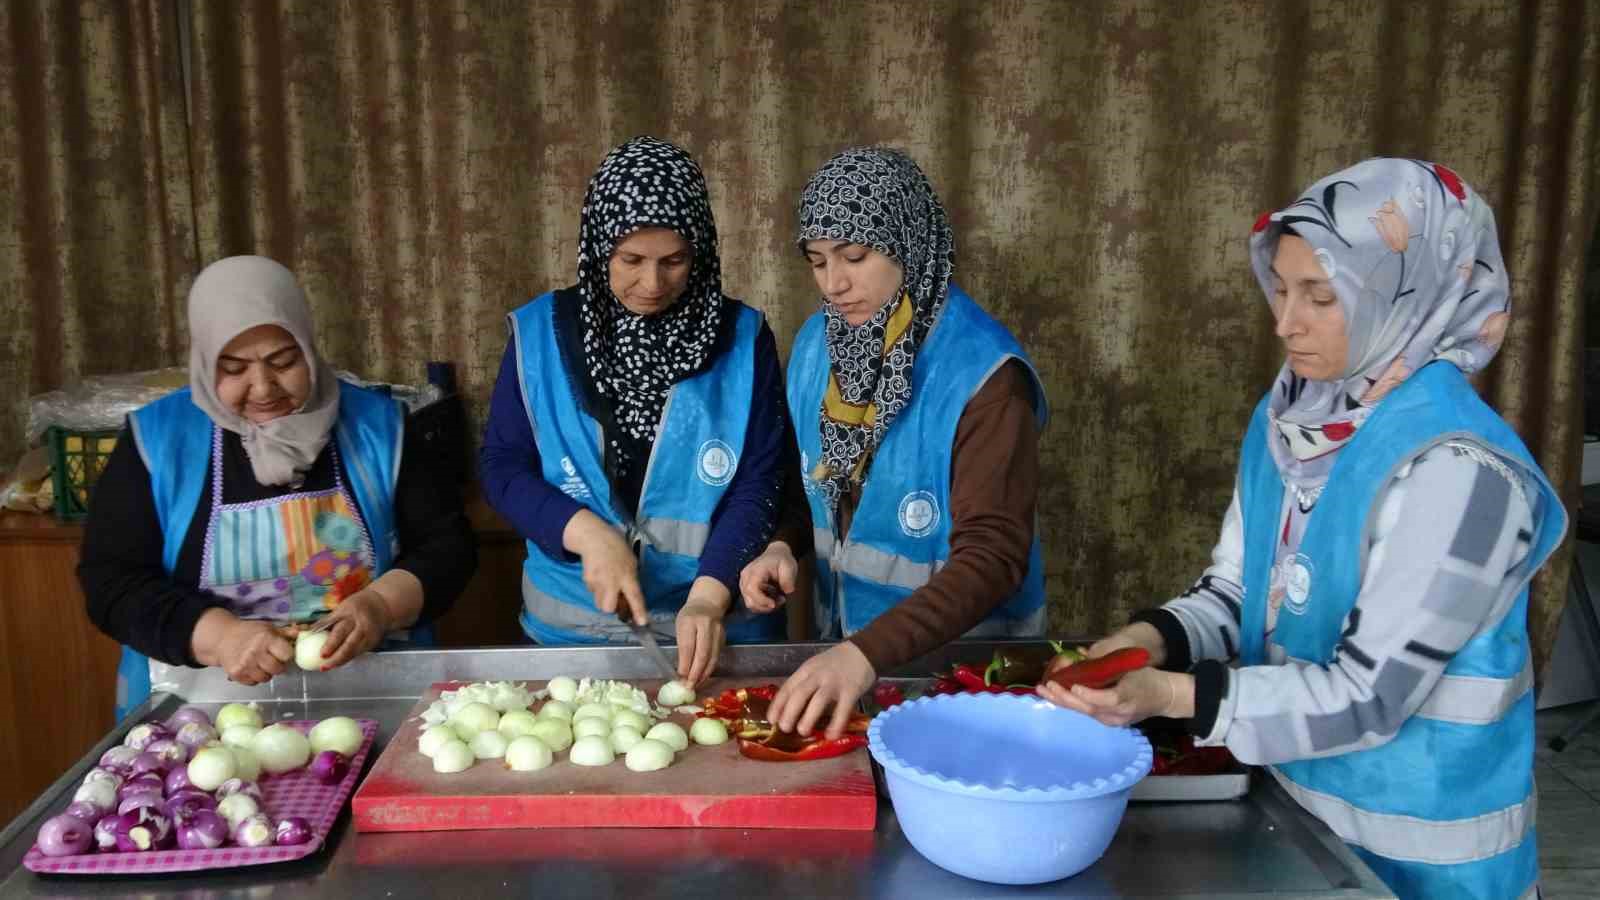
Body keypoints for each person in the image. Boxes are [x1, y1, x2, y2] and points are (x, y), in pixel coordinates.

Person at [1041, 158, 1563, 900]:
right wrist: (1152, 639)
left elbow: (1369, 697)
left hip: (1427, 865)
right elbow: (1237, 589)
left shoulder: (1461, 472)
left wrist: (1169, 696)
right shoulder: (1293, 421)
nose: (1285, 322)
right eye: (1281, 289)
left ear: (1403, 294)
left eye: (1321, 296)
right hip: (1299, 825)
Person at [80, 255, 477, 720]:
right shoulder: (158, 440)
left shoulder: (379, 427)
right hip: (205, 709)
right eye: (233, 369)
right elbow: (112, 582)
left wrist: (378, 606)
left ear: (308, 347)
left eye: (283, 361)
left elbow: (447, 546)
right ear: (205, 361)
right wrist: (221, 636)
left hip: (371, 695)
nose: (263, 387)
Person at [740, 147, 1048, 739]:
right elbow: (819, 485)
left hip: (966, 680)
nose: (834, 284)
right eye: (817, 261)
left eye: (855, 256)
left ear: (907, 241)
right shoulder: (818, 347)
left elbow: (993, 558)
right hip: (853, 674)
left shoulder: (985, 377)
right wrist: (783, 544)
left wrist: (863, 655)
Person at [480, 136, 786, 683]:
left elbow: (761, 480)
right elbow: (503, 466)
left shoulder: (743, 338)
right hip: (569, 638)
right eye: (631, 260)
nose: (652, 283)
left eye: (674, 261)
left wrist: (710, 593)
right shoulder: (540, 334)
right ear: (600, 247)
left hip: (717, 630)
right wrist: (585, 533)